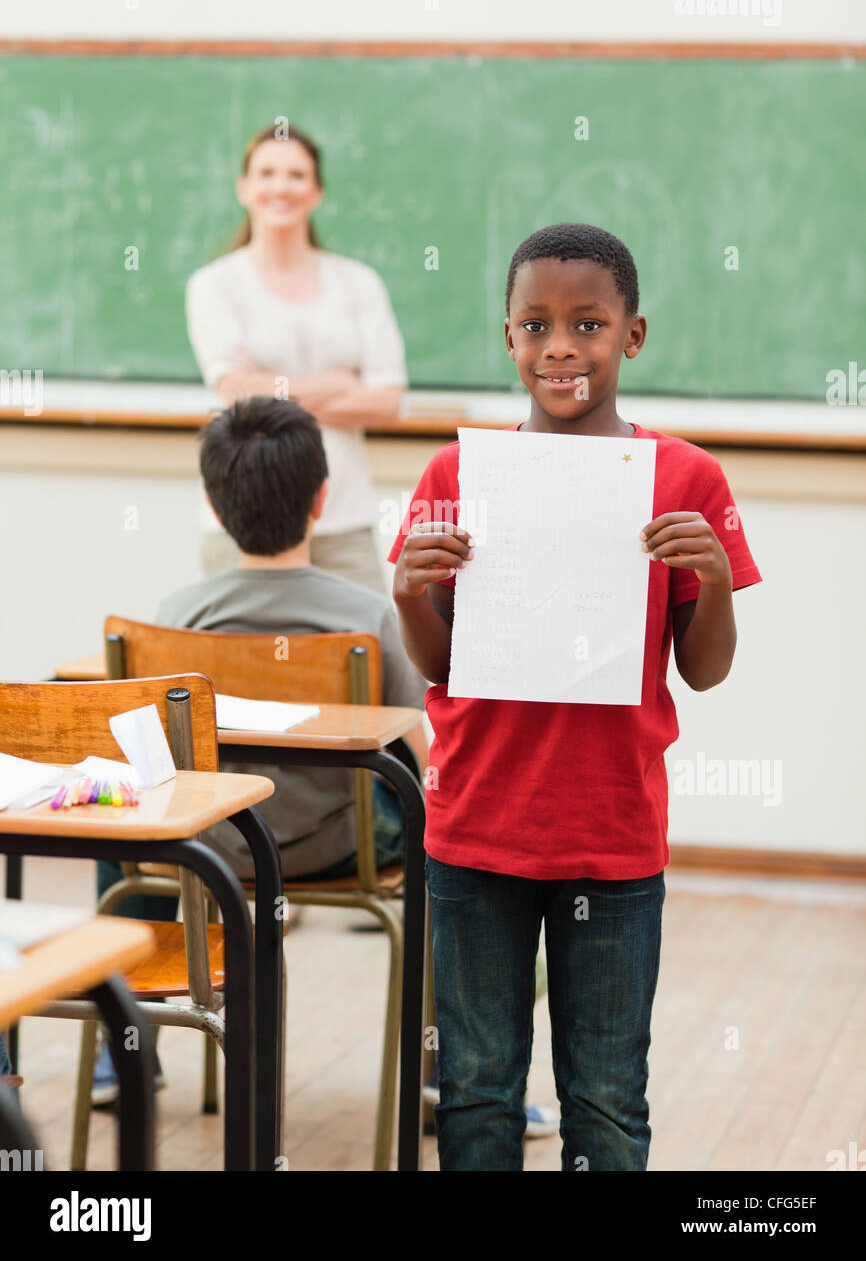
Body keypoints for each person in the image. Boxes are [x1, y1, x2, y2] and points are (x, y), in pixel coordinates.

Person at [387, 222, 763, 1172]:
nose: (561, 346)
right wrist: (407, 595)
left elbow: (705, 669)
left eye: (588, 324)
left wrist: (713, 581)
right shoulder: (455, 473)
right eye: (537, 325)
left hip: (611, 832)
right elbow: (439, 664)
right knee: (475, 1090)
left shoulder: (684, 479)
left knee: (603, 1097)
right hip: (477, 826)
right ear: (507, 338)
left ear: (632, 336)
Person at [92, 394, 429, 1106]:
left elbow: (157, 755)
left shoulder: (179, 614)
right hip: (342, 849)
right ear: (322, 501)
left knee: (118, 839)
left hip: (208, 848)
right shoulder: (367, 616)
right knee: (440, 847)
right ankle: (440, 1073)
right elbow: (420, 755)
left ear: (215, 508)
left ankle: (121, 1049)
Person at [185, 122, 409, 595]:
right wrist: (340, 382)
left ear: (317, 191)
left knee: (366, 654)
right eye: (267, 173)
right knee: (241, 667)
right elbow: (234, 391)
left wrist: (271, 398)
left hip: (343, 517)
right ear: (244, 188)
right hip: (242, 520)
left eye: (296, 175)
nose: (281, 186)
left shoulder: (359, 283)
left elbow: (387, 401)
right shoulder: (214, 285)